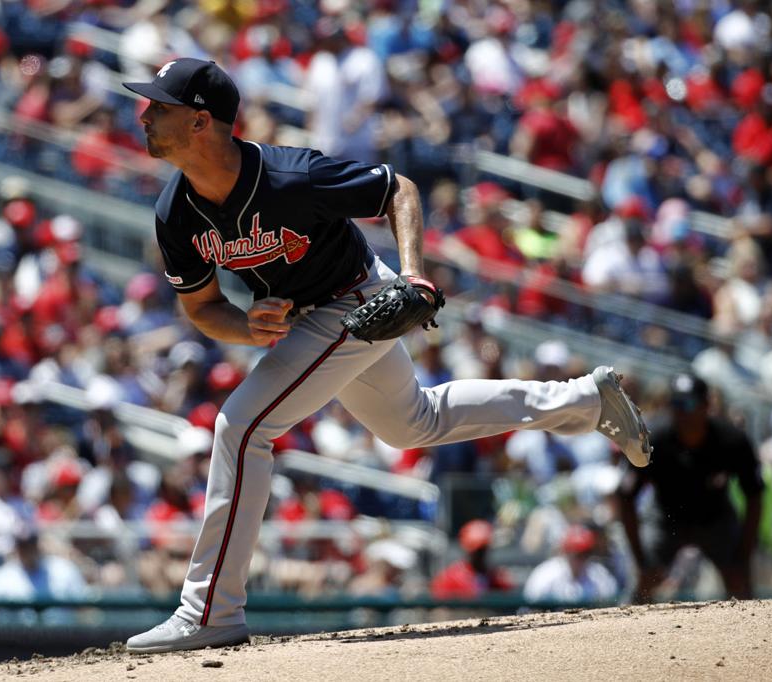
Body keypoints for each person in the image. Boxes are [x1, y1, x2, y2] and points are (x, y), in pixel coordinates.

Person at [121, 58, 651, 654]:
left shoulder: (292, 176)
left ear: (200, 122)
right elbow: (202, 309)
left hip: (356, 297)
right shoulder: (175, 212)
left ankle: (209, 610)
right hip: (308, 318)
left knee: (240, 428)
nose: (144, 115)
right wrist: (247, 327)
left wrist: (413, 273)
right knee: (412, 423)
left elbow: (399, 189)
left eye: (158, 107)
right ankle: (583, 399)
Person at [617, 374, 763, 603]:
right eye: (675, 404)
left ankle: (755, 633)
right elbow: (625, 497)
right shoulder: (653, 440)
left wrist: (743, 556)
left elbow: (755, 496)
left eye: (689, 403)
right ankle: (624, 630)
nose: (681, 412)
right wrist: (640, 560)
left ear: (707, 406)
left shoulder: (731, 440)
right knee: (645, 579)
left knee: (738, 580)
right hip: (666, 518)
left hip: (715, 518)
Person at [522, 525, 619, 605]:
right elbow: (530, 604)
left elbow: (613, 598)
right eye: (577, 554)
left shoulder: (598, 574)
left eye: (586, 553)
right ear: (565, 552)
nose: (582, 558)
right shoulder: (546, 574)